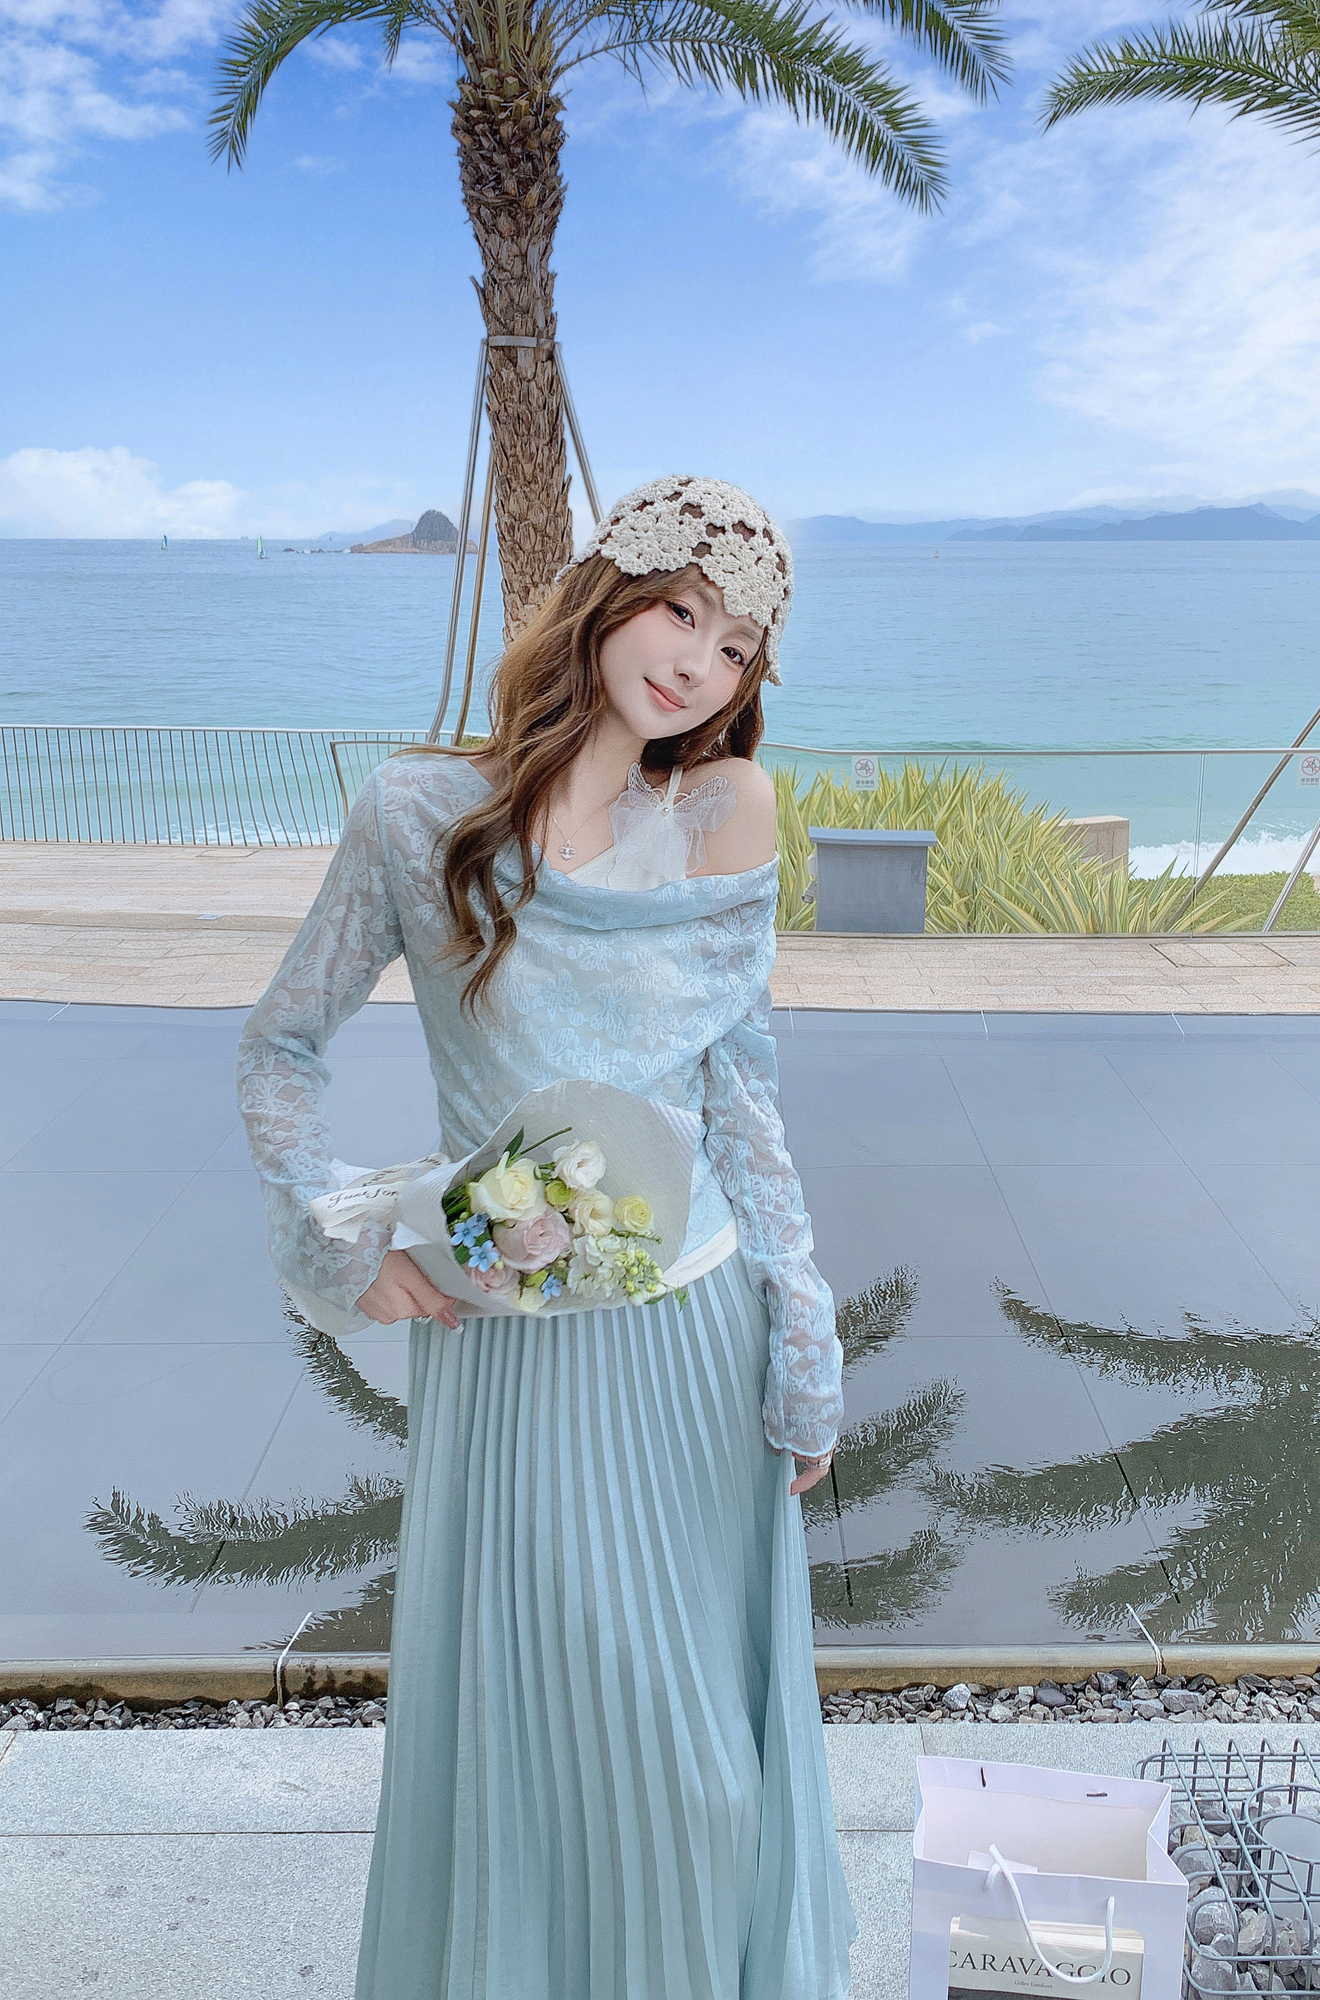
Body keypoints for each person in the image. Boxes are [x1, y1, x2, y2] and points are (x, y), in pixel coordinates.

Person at [236, 475, 856, 1999]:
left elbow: (739, 1087)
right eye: (681, 609)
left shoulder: (726, 808)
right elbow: (279, 1051)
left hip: (695, 1336)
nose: (698, 661)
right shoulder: (414, 812)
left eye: (736, 646)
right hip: (508, 1347)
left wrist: (803, 1326)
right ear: (605, 597)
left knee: (703, 1766)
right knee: (526, 1740)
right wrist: (343, 1242)